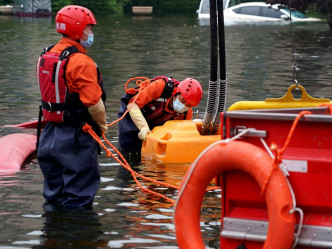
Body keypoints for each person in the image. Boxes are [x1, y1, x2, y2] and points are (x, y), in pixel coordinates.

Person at [36, 5, 108, 209]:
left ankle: (53, 236)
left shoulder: (45, 56)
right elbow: (94, 103)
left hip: (48, 135)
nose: (91, 33)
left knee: (53, 196)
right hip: (75, 137)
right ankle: (77, 238)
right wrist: (102, 127)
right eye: (89, 28)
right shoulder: (80, 62)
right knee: (78, 199)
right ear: (78, 29)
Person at [118, 76, 203, 152]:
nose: (184, 106)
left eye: (189, 105)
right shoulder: (160, 86)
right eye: (183, 101)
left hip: (157, 122)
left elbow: (183, 135)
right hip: (134, 112)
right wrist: (143, 127)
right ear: (177, 92)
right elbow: (133, 105)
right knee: (129, 148)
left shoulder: (187, 113)